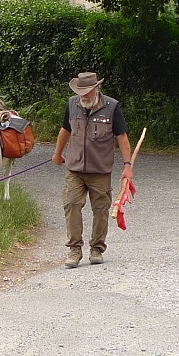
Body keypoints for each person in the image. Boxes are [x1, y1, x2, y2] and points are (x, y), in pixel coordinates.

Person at [51, 72, 133, 268]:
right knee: (71, 204)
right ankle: (74, 249)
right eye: (81, 92)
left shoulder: (111, 107)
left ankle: (96, 248)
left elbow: (122, 137)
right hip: (74, 168)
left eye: (87, 92)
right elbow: (65, 130)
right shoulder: (72, 104)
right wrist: (57, 153)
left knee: (101, 209)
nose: (84, 96)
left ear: (97, 89)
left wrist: (127, 166)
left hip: (100, 169)